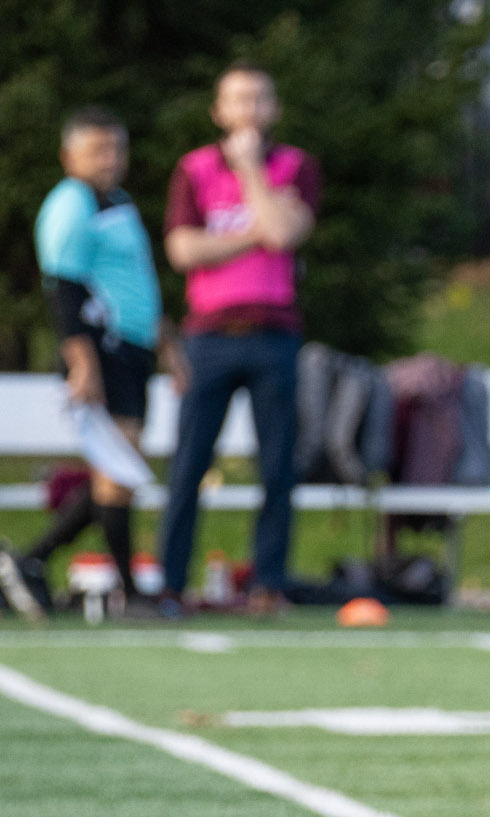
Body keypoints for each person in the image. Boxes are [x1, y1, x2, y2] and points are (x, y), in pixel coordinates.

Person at [2, 108, 186, 619]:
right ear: (69, 156)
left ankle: (31, 562)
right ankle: (128, 589)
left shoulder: (117, 203)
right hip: (102, 351)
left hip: (132, 347)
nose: (111, 159)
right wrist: (81, 362)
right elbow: (63, 288)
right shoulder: (70, 204)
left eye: (117, 148)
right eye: (98, 150)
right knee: (117, 469)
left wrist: (168, 343)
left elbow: (135, 284)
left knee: (116, 470)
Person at [158, 63, 320, 616]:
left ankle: (268, 584)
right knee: (189, 463)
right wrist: (258, 230)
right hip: (208, 336)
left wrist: (252, 172)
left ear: (274, 108)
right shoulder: (194, 169)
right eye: (238, 100)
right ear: (218, 111)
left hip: (274, 335)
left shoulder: (295, 166)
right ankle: (171, 585)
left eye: (260, 98)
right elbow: (183, 250)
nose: (249, 110)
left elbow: (286, 232)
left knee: (277, 466)